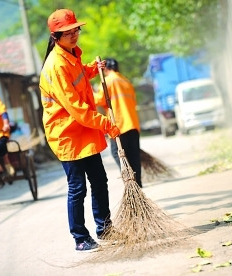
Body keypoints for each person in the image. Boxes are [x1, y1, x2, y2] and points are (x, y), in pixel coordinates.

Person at [39, 8, 120, 251]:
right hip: (66, 133)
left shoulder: (71, 55)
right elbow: (75, 107)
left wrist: (92, 70)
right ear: (56, 36)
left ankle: (104, 227)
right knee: (78, 187)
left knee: (99, 180)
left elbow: (79, 75)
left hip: (82, 130)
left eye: (75, 30)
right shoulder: (55, 65)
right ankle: (80, 237)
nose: (74, 35)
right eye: (67, 32)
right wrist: (105, 124)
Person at [94, 58, 142, 188]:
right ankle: (138, 185)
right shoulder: (126, 81)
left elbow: (98, 100)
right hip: (132, 123)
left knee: (118, 154)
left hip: (118, 125)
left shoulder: (108, 81)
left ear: (105, 69)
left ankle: (130, 183)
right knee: (134, 155)